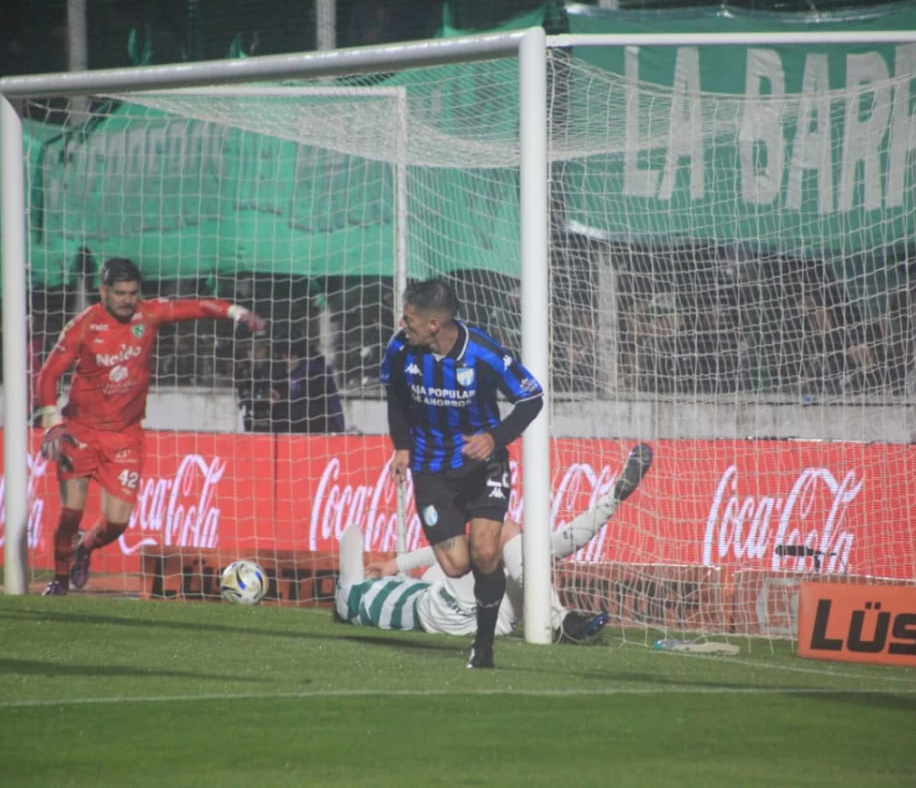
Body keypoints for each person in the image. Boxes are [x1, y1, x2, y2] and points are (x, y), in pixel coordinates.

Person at [35, 258, 262, 595]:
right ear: (103, 292)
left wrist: (236, 312)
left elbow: (196, 307)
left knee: (117, 523)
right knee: (71, 512)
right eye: (120, 293)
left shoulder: (150, 314)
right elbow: (48, 375)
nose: (127, 300)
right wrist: (53, 421)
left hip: (125, 436)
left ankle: (85, 548)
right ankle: (60, 578)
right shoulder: (84, 325)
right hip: (80, 431)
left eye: (132, 293)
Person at [380, 278, 544, 668]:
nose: (403, 323)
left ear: (434, 324)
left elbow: (531, 397)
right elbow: (395, 395)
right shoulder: (400, 348)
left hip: (482, 464)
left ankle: (483, 643)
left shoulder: (483, 352)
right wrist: (401, 445)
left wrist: (495, 437)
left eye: (410, 318)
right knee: (455, 564)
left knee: (485, 552)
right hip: (430, 466)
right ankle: (494, 578)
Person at [336, 443, 653, 643]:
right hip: (460, 612)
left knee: (527, 548)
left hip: (476, 613)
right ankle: (559, 618)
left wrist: (392, 565)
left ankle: (560, 617)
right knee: (517, 539)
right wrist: (391, 567)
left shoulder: (371, 594)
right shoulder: (365, 596)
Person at [270, 338, 345, 434]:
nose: (284, 361)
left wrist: (279, 403)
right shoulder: (294, 374)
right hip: (312, 429)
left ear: (296, 357)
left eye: (286, 357)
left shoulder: (314, 374)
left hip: (327, 431)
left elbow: (309, 412)